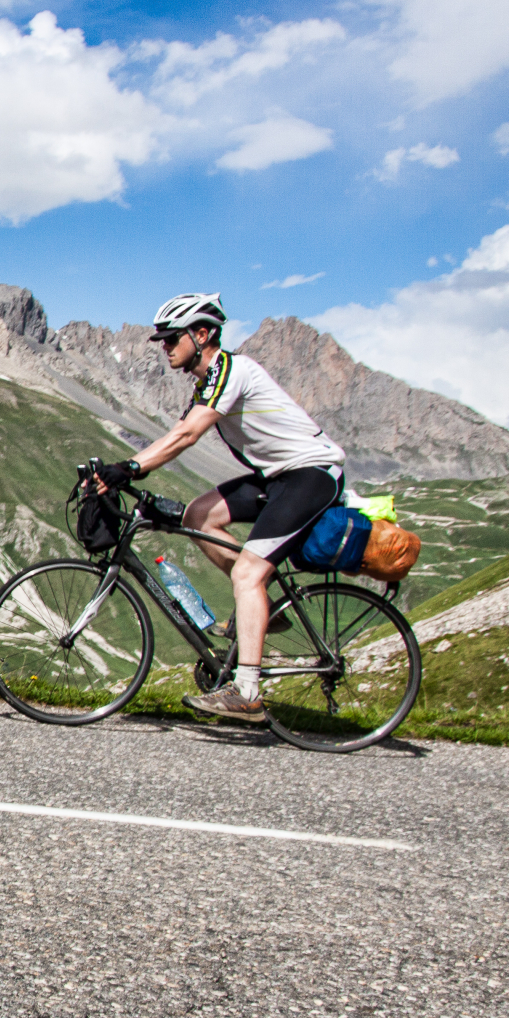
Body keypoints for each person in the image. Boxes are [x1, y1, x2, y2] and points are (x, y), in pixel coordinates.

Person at [91, 293, 346, 722]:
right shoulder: (208, 381)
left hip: (311, 474)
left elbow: (188, 436)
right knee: (197, 514)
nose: (165, 347)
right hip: (278, 477)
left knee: (248, 571)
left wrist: (130, 469)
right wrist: (124, 469)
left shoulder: (231, 370)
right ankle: (266, 607)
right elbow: (177, 432)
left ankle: (247, 692)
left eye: (172, 338)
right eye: (162, 340)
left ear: (202, 333)